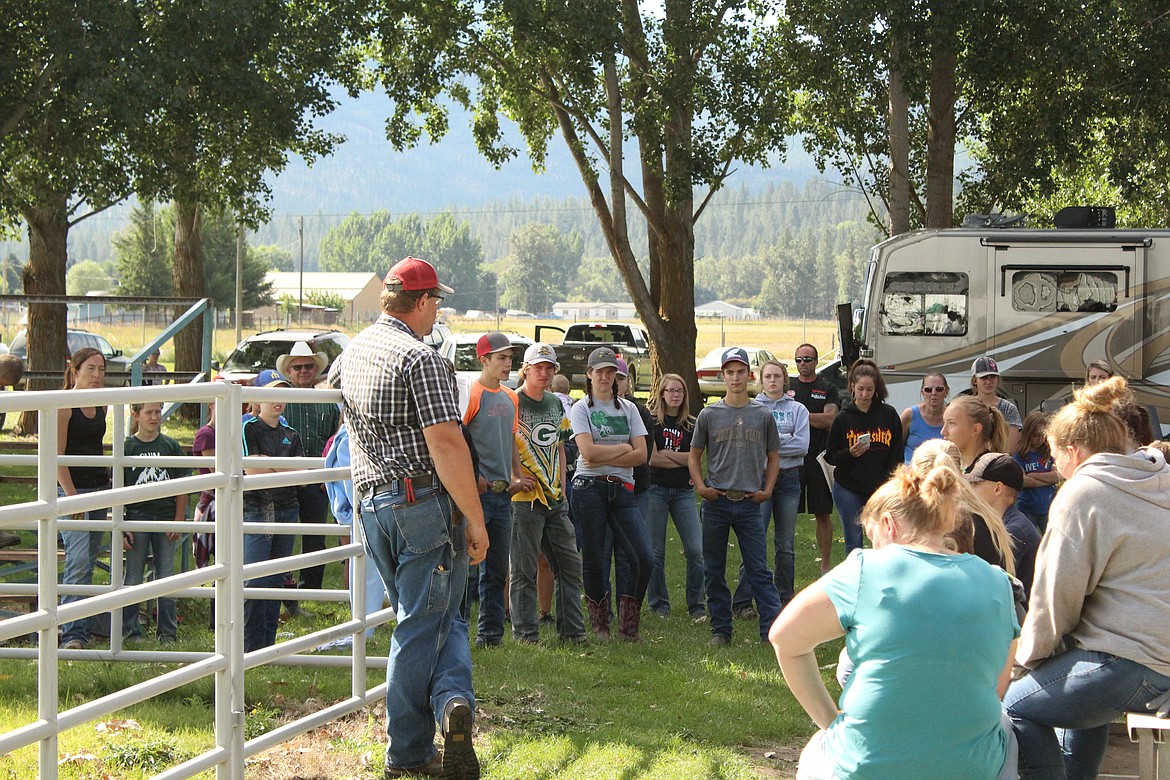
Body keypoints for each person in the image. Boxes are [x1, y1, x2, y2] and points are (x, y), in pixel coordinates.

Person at [328, 256, 486, 779]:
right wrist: (476, 518)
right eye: (436, 300)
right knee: (424, 623)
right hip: (421, 501)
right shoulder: (422, 360)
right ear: (421, 303)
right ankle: (410, 748)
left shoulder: (353, 352)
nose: (438, 309)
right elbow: (445, 442)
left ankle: (451, 704)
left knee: (434, 616)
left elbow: (335, 393)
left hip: (372, 501)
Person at [770, 461, 1020, 780]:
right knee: (1003, 727)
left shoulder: (866, 568)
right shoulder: (999, 583)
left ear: (889, 525)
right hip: (971, 768)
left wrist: (830, 723)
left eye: (872, 537)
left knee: (817, 746)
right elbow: (996, 687)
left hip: (867, 768)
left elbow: (784, 638)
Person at [1005, 376, 1170, 780]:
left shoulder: (1083, 492)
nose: (1051, 464)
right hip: (1158, 656)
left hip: (1130, 662)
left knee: (1011, 705)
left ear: (1073, 451)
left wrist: (1024, 663)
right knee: (1077, 690)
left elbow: (1054, 598)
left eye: (1052, 453)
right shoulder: (1159, 481)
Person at [688, 347, 783, 646]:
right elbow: (694, 456)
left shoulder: (762, 415)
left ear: (749, 375)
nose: (736, 378)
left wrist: (767, 489)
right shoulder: (709, 414)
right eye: (730, 372)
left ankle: (771, 632)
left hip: (749, 504)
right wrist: (701, 487)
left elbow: (774, 456)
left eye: (740, 372)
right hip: (716, 502)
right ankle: (721, 630)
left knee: (759, 570)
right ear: (723, 376)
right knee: (713, 570)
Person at [569, 346, 652, 642]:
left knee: (643, 557)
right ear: (589, 375)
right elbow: (587, 453)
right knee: (595, 557)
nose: (605, 377)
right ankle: (600, 625)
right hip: (588, 488)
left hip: (623, 489)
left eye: (610, 372)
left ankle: (629, 628)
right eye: (599, 372)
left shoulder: (629, 409)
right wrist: (623, 448)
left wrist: (606, 455)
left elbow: (642, 455)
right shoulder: (581, 409)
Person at [508, 342, 586, 644]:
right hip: (524, 500)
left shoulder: (555, 403)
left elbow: (560, 446)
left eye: (548, 368)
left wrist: (563, 485)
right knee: (524, 570)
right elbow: (503, 444)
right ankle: (526, 634)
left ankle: (573, 633)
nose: (543, 372)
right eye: (537, 367)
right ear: (525, 369)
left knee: (569, 566)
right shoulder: (512, 402)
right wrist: (515, 476)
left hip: (555, 497)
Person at [463, 331, 530, 648]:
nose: (508, 364)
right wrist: (473, 477)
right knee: (466, 568)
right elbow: (457, 440)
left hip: (504, 495)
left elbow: (512, 439)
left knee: (497, 568)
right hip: (477, 495)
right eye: (501, 358)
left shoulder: (511, 397)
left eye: (510, 358)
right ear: (484, 360)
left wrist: (517, 474)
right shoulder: (472, 395)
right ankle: (457, 632)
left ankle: (490, 636)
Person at [732, 360, 809, 614]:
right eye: (768, 376)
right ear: (761, 380)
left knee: (785, 543)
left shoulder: (798, 410)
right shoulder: (752, 409)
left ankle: (785, 600)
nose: (773, 380)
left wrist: (770, 445)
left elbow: (802, 446)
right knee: (754, 539)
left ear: (785, 380)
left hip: (789, 480)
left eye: (777, 376)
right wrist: (784, 440)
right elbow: (748, 445)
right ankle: (744, 601)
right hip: (759, 479)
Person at [276, 341, 341, 616]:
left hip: (316, 480)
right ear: (289, 371)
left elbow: (332, 440)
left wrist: (327, 475)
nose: (303, 371)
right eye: (298, 366)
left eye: (309, 366)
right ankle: (285, 596)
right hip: (285, 482)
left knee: (315, 538)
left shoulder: (326, 401)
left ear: (316, 370)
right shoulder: (281, 401)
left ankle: (309, 590)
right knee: (284, 540)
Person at [241, 369, 304, 652]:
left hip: (286, 507)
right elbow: (251, 469)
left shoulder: (292, 433)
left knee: (276, 578)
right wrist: (285, 466)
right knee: (256, 579)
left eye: (282, 392)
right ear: (258, 397)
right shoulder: (248, 427)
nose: (277, 399)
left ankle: (266, 645)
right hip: (258, 507)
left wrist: (269, 462)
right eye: (271, 393)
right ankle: (252, 647)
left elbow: (301, 474)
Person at [120, 401, 190, 642]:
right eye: (148, 412)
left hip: (166, 516)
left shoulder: (170, 446)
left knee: (166, 575)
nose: (154, 417)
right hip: (137, 517)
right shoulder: (127, 447)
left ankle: (168, 632)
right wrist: (121, 526)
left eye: (158, 412)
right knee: (133, 574)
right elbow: (117, 489)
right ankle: (129, 630)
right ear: (136, 415)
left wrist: (178, 520)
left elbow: (183, 487)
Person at [58, 347, 113, 651]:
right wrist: (71, 497)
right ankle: (71, 635)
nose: (96, 375)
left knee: (89, 560)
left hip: (97, 489)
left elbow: (98, 448)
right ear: (75, 370)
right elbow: (57, 458)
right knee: (77, 561)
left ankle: (82, 626)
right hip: (72, 491)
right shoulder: (64, 405)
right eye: (91, 369)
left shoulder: (101, 404)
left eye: (101, 370)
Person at [823, 360, 903, 554]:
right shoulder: (844, 417)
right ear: (852, 387)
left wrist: (887, 482)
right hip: (849, 487)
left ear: (876, 388)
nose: (865, 395)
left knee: (886, 538)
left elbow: (896, 453)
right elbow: (831, 455)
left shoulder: (888, 414)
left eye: (869, 389)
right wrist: (849, 453)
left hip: (881, 487)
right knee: (853, 541)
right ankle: (856, 581)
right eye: (860, 389)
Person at [644, 372, 705, 619]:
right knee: (655, 552)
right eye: (671, 390)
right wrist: (684, 459)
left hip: (684, 492)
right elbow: (652, 459)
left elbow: (697, 458)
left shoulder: (692, 423)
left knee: (696, 550)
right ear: (662, 394)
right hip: (655, 490)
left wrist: (673, 456)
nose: (675, 395)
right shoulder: (652, 422)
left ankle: (697, 604)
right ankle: (659, 604)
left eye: (680, 391)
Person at [323, 422, 391, 641]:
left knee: (367, 563)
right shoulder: (348, 437)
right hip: (373, 505)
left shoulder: (348, 435)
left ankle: (367, 622)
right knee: (366, 563)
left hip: (370, 506)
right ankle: (366, 622)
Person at [791, 343, 840, 574]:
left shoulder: (827, 387)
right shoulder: (788, 387)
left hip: (819, 457)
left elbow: (830, 419)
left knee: (822, 513)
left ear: (816, 361)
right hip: (793, 458)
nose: (803, 364)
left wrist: (799, 415)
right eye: (799, 359)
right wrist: (813, 418)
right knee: (787, 513)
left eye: (808, 359)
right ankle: (785, 562)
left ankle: (825, 565)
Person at [965, 452, 1041, 599]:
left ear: (998, 488)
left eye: (975, 484)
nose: (969, 490)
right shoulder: (1010, 523)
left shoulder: (1014, 531)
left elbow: (990, 585)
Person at [1013, 411, 1058, 532]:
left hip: (1048, 507)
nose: (1040, 440)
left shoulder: (1049, 453)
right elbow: (1023, 481)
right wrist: (1047, 479)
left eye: (1043, 435)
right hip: (1027, 508)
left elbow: (1057, 476)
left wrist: (1033, 475)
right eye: (1036, 435)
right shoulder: (1020, 455)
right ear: (1028, 434)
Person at [970, 356, 1023, 452]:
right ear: (974, 380)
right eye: (984, 377)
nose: (989, 382)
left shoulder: (1009, 408)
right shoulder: (967, 407)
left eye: (992, 377)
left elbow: (1011, 447)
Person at [943, 395, 1010, 470]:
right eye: (944, 422)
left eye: (951, 423)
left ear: (975, 429)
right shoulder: (947, 467)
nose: (943, 432)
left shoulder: (996, 469)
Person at [900, 373, 948, 462]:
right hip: (911, 472)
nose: (934, 393)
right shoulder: (909, 415)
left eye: (939, 389)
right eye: (928, 390)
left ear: (946, 392)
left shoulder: (952, 416)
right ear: (922, 392)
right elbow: (896, 446)